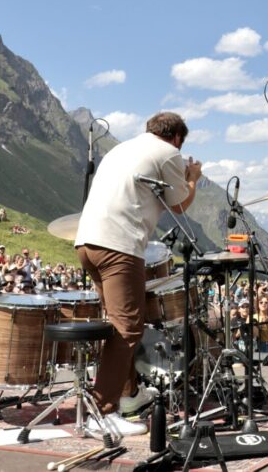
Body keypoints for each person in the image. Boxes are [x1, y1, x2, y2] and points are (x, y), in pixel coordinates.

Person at [74, 111, 202, 436]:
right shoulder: (168, 152)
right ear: (176, 137)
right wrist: (193, 178)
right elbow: (179, 204)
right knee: (129, 328)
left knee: (118, 325)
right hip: (119, 245)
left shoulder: (120, 149)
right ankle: (101, 414)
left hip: (87, 242)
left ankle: (128, 396)